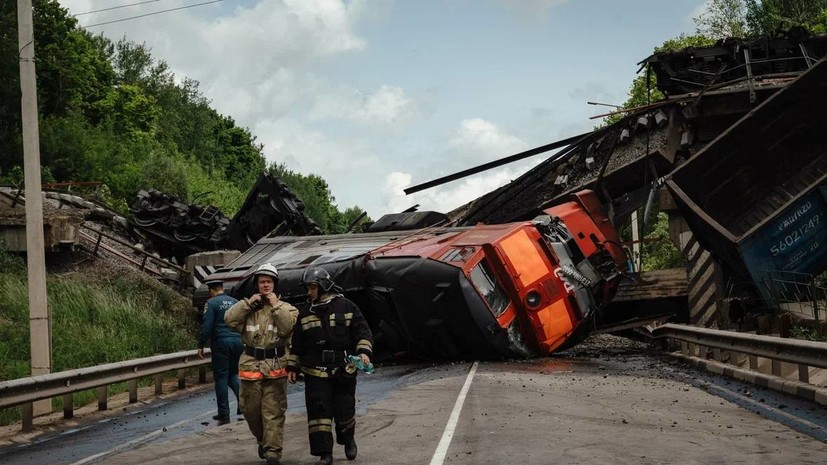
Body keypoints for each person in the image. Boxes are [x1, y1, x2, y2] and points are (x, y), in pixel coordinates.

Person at [286, 267, 374, 465]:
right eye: (307, 288)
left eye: (311, 288)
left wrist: (363, 352)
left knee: (345, 409)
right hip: (314, 371)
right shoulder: (305, 313)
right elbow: (298, 343)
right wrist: (292, 367)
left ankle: (348, 439)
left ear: (323, 286)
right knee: (319, 412)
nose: (308, 292)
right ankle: (325, 453)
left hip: (343, 369)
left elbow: (363, 332)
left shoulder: (347, 306)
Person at [225, 263, 298, 465]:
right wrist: (248, 303)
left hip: (276, 368)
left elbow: (287, 329)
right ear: (256, 285)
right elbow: (229, 320)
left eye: (268, 282)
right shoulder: (249, 308)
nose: (265, 285)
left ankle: (273, 453)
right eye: (261, 282)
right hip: (250, 367)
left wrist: (275, 306)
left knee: (273, 413)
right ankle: (262, 440)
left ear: (275, 284)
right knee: (250, 411)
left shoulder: (287, 309)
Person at [197, 279, 243, 425]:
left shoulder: (211, 303)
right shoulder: (236, 302)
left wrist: (201, 343)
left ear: (211, 291)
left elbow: (207, 325)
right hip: (237, 342)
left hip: (221, 342)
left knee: (221, 377)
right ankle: (243, 404)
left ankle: (223, 412)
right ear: (222, 288)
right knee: (233, 373)